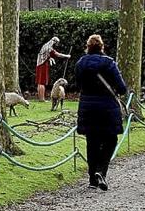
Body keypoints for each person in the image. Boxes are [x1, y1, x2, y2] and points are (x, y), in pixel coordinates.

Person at [75, 34, 127, 191]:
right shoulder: (109, 63)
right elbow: (121, 87)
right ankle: (101, 171)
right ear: (102, 47)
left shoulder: (80, 63)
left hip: (88, 106)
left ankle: (92, 179)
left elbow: (78, 84)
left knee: (92, 142)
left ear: (88, 47)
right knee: (110, 140)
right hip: (107, 107)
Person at [36, 36, 71, 101]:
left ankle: (40, 98)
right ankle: (42, 99)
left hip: (39, 64)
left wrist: (50, 58)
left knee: (39, 82)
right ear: (54, 42)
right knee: (42, 82)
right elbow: (57, 54)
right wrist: (67, 56)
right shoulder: (49, 48)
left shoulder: (45, 45)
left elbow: (45, 55)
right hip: (43, 65)